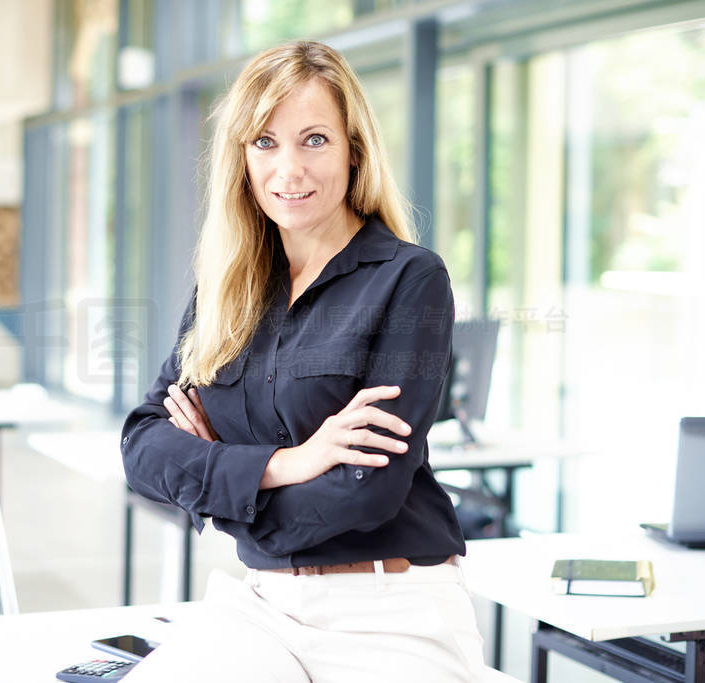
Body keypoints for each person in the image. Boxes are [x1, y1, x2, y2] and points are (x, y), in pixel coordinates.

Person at [120, 40, 486, 682]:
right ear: (242, 159)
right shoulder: (227, 287)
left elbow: (365, 493)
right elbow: (143, 446)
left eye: (313, 139)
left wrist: (220, 487)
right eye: (265, 142)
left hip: (389, 610)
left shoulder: (410, 279)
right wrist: (288, 464)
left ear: (354, 149)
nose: (288, 169)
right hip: (260, 604)